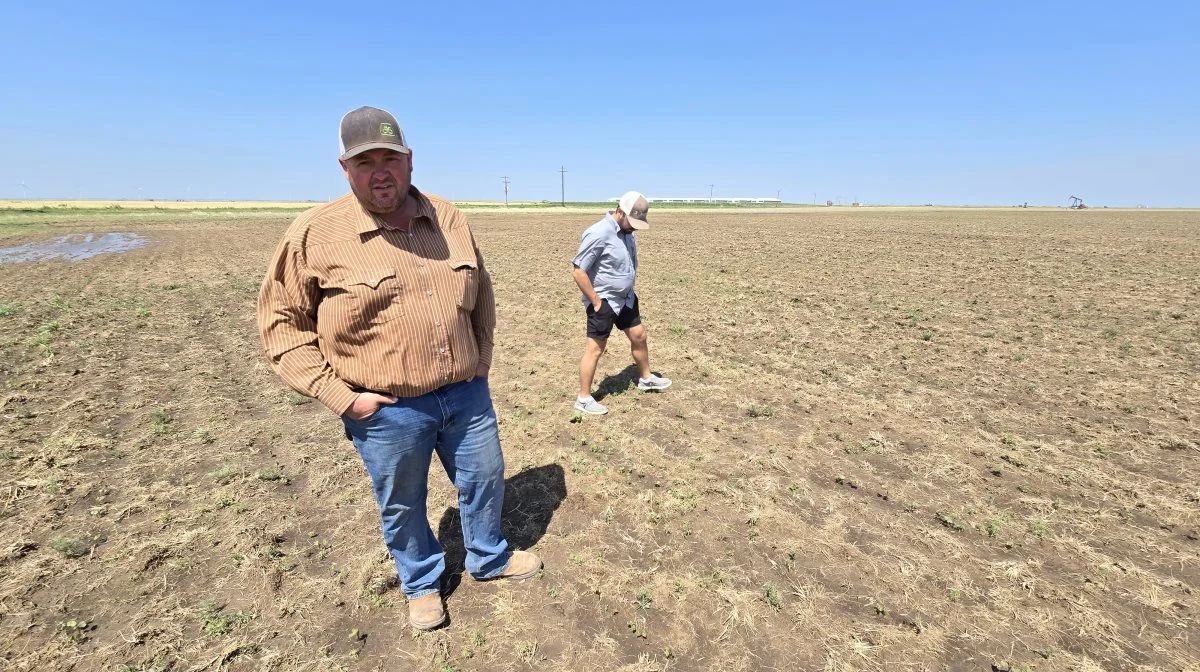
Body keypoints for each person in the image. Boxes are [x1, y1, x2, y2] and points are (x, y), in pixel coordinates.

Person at [256, 106, 540, 632]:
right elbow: (282, 326)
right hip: (385, 410)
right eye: (366, 162)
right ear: (345, 168)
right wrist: (343, 397)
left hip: (464, 394)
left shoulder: (448, 216)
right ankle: (422, 584)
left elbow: (481, 293)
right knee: (403, 503)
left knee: (484, 479)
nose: (380, 171)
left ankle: (488, 557)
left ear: (409, 161)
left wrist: (482, 357)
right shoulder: (314, 234)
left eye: (391, 157)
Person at [571, 191, 672, 415]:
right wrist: (596, 302)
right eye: (633, 222)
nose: (635, 227)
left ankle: (645, 378)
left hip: (626, 298)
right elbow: (579, 271)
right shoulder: (598, 233)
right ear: (620, 211)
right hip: (604, 300)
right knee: (595, 349)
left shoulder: (627, 232)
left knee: (639, 335)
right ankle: (584, 398)